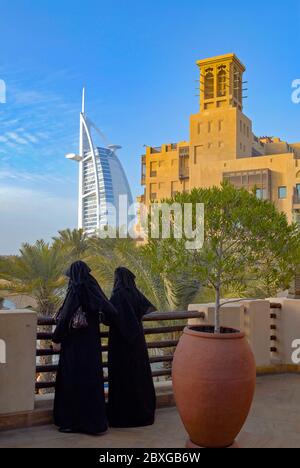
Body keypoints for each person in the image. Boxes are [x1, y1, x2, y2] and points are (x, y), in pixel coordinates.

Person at [52, 260, 117, 435]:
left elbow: (66, 316)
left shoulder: (76, 289)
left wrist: (56, 338)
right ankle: (94, 423)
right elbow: (110, 310)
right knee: (91, 381)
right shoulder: (93, 287)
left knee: (74, 382)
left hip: (75, 346)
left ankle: (73, 423)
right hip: (92, 345)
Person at [106, 266, 157, 428]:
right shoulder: (135, 293)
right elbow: (144, 309)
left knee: (123, 378)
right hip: (137, 344)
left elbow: (108, 316)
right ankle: (141, 413)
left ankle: (124, 416)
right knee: (137, 376)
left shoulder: (117, 295)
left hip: (120, 346)